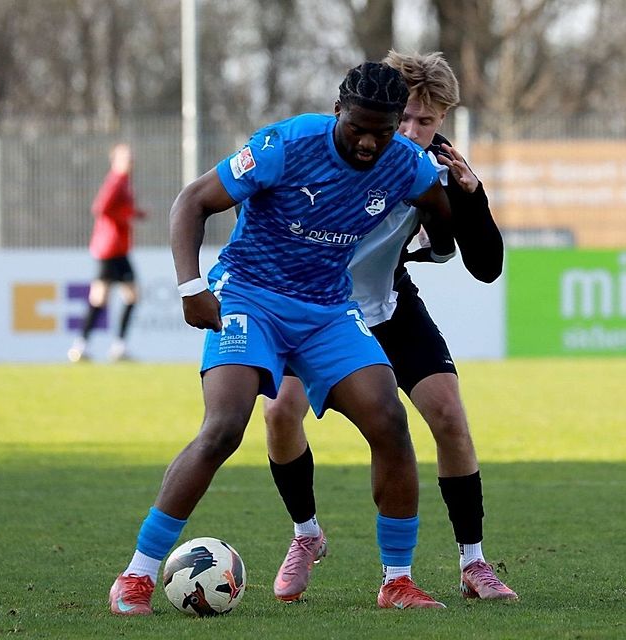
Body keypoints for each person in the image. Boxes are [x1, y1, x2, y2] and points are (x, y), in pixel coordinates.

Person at [108, 62, 457, 616]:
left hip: (328, 309)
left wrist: (438, 244)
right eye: (358, 128)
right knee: (224, 428)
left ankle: (397, 581)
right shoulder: (285, 145)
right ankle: (135, 576)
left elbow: (438, 206)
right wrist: (192, 288)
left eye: (383, 132)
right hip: (251, 296)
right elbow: (192, 201)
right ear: (338, 111)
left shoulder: (405, 162)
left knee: (390, 421)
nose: (369, 143)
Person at [264, 50, 517, 604]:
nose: (409, 131)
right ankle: (306, 533)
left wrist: (473, 198)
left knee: (449, 415)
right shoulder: (343, 148)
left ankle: (473, 562)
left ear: (443, 120)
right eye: (402, 118)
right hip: (316, 308)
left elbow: (486, 266)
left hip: (388, 306)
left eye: (424, 121)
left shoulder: (439, 171)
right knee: (280, 412)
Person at [68, 143, 146, 363]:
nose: (130, 161)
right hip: (111, 249)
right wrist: (126, 216)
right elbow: (100, 208)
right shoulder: (116, 181)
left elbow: (118, 209)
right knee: (103, 298)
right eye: (125, 157)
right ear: (115, 160)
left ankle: (101, 346)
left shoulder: (124, 182)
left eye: (131, 157)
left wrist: (135, 213)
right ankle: (86, 346)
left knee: (125, 296)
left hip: (116, 249)